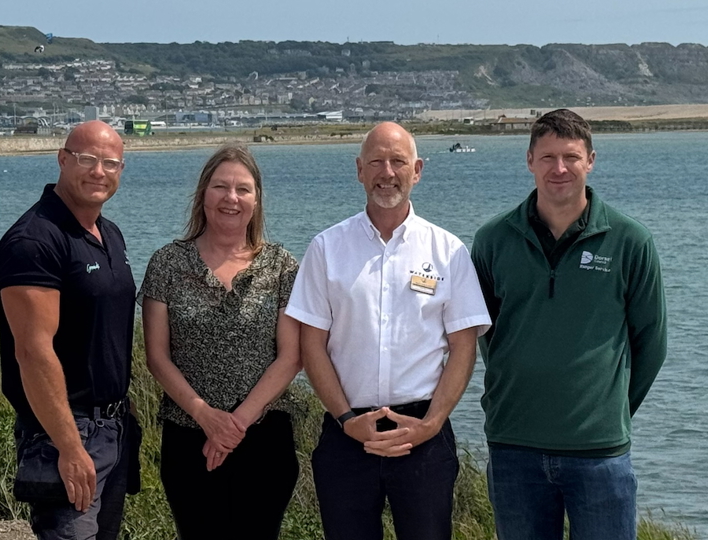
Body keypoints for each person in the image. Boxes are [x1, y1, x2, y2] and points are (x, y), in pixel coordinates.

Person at [286, 122, 492, 540]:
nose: (387, 172)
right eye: (376, 161)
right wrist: (346, 419)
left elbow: (464, 346)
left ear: (417, 170)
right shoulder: (326, 248)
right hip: (347, 436)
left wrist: (431, 424)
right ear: (359, 170)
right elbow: (312, 344)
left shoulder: (448, 251)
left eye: (398, 161)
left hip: (424, 436)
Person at [470, 109, 667, 540]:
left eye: (571, 157)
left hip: (600, 454)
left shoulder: (631, 241)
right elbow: (485, 335)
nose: (559, 168)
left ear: (591, 160)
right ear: (529, 161)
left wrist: (608, 409)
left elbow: (651, 343)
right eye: (548, 157)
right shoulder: (492, 240)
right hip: (514, 446)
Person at [140, 144, 303, 539]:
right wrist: (206, 416)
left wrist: (236, 424)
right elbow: (157, 357)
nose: (231, 198)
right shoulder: (167, 263)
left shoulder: (282, 266)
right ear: (203, 195)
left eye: (243, 189)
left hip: (264, 437)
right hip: (188, 436)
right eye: (220, 187)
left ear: (256, 200)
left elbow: (292, 357)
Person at [0, 120, 139, 540]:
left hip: (114, 426)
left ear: (121, 170)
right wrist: (70, 446)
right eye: (87, 159)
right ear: (62, 159)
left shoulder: (108, 233)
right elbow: (33, 352)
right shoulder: (34, 240)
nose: (98, 171)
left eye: (110, 163)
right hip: (66, 433)